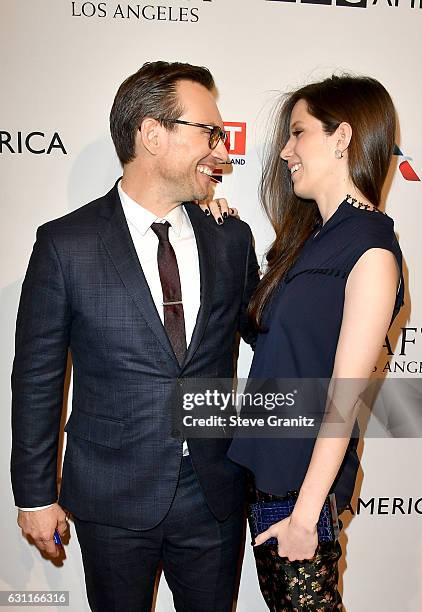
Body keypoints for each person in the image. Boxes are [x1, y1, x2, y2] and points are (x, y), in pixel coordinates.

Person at [11, 61, 259, 612]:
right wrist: (34, 496)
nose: (221, 149)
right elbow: (36, 379)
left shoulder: (231, 238)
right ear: (152, 134)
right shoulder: (65, 244)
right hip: (111, 497)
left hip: (214, 493)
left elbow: (265, 335)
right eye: (208, 133)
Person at [227, 74, 405, 610]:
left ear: (342, 137)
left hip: (300, 493)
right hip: (266, 477)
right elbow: (265, 338)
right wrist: (226, 234)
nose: (285, 151)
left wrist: (305, 517)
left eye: (298, 133)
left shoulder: (371, 249)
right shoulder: (309, 238)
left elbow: (342, 400)